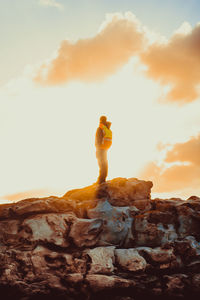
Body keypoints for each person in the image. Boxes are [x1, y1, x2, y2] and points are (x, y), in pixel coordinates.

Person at [95, 116, 112, 184]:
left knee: (101, 163)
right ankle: (102, 178)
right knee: (104, 163)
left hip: (100, 148)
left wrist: (98, 147)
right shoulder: (107, 129)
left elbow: (98, 139)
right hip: (105, 148)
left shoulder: (100, 128)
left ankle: (101, 180)